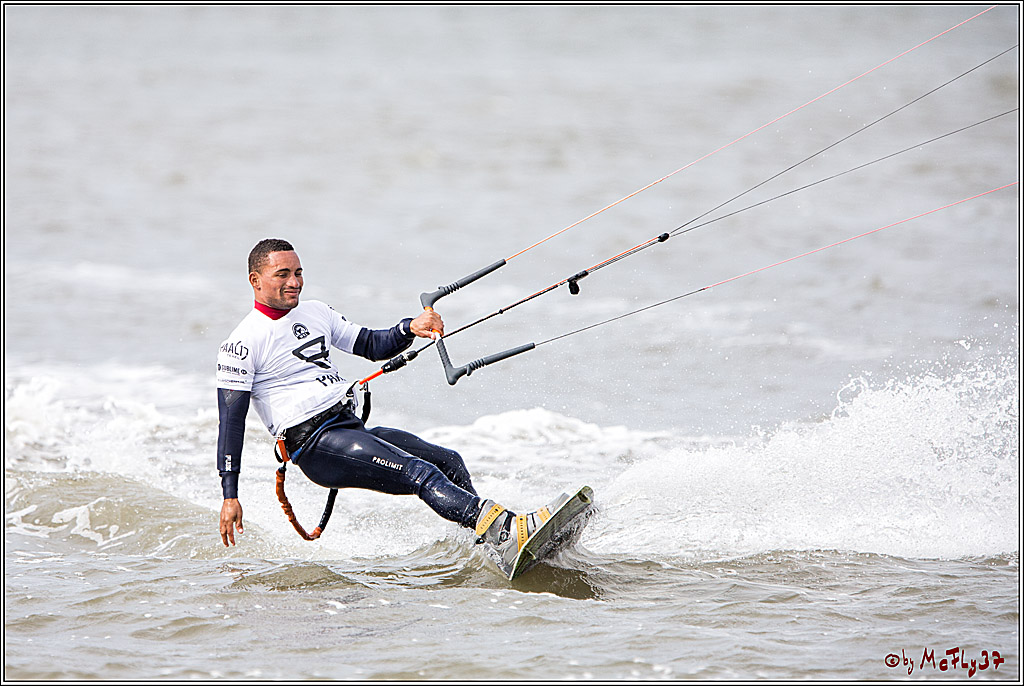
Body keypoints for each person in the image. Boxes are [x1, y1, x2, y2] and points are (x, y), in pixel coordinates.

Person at [215, 238, 567, 569]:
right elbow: (231, 423)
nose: (294, 282)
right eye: (283, 275)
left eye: (298, 273)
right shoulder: (242, 343)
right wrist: (230, 495)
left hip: (346, 427)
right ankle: (507, 530)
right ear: (256, 280)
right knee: (419, 473)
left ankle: (493, 549)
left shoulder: (315, 312)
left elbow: (371, 345)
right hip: (315, 446)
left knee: (448, 462)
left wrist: (410, 328)